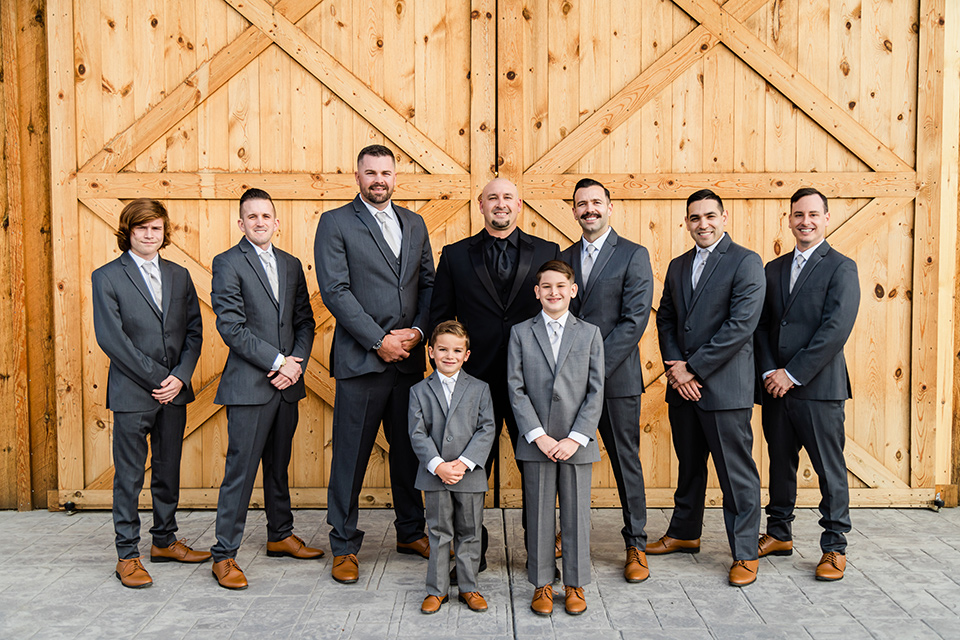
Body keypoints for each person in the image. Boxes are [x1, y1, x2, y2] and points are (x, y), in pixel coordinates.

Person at [315, 144, 435, 584]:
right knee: (351, 457)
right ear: (357, 175)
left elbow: (428, 284)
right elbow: (336, 290)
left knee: (409, 454)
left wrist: (419, 334)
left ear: (395, 176)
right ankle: (344, 545)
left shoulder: (415, 223)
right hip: (361, 362)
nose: (379, 179)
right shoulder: (336, 223)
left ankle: (410, 531)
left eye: (386, 172)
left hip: (408, 362)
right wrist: (378, 340)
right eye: (371, 173)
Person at [430, 177, 561, 569]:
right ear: (480, 205)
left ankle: (540, 555)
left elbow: (560, 313)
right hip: (475, 381)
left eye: (507, 197)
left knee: (536, 471)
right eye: (492, 198)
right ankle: (471, 553)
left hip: (533, 381)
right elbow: (439, 317)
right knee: (471, 471)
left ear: (518, 205)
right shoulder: (454, 255)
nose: (500, 204)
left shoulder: (548, 251)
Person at [648, 189, 765, 587]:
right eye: (695, 218)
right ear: (686, 222)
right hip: (683, 388)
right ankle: (684, 531)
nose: (703, 224)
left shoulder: (746, 262)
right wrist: (677, 369)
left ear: (724, 217)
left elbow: (740, 326)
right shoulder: (679, 265)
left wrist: (692, 369)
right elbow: (665, 318)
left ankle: (746, 552)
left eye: (710, 216)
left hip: (723, 388)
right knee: (689, 465)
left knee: (736, 474)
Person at [92, 198, 207, 588]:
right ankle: (127, 554)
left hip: (174, 391)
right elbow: (113, 339)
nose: (149, 234)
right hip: (132, 392)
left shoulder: (179, 275)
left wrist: (181, 376)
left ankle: (165, 540)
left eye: (156, 228)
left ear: (164, 232)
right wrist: (159, 377)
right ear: (129, 231)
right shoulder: (106, 276)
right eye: (141, 228)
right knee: (128, 476)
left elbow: (194, 332)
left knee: (167, 469)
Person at [209, 188, 320, 590]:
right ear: (241, 224)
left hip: (286, 385)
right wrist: (279, 362)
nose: (259, 222)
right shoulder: (227, 263)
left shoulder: (291, 265)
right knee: (239, 472)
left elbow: (304, 321)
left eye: (266, 216)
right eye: (251, 217)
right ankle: (224, 555)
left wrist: (296, 366)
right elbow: (231, 327)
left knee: (278, 467)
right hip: (249, 387)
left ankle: (280, 535)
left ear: (277, 222)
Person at [755, 187, 860, 581]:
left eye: (814, 214)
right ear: (789, 219)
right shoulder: (773, 268)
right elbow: (763, 326)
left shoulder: (841, 267)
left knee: (829, 469)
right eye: (799, 214)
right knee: (780, 464)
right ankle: (779, 533)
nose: (806, 221)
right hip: (775, 388)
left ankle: (834, 547)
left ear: (826, 218)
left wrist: (792, 373)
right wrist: (769, 372)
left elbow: (835, 330)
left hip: (817, 388)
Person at [560, 178, 653, 583]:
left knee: (625, 462)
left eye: (596, 202)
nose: (589, 210)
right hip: (566, 386)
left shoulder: (633, 255)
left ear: (609, 207)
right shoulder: (562, 257)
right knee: (564, 462)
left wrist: (594, 370)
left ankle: (636, 544)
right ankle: (563, 536)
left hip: (615, 381)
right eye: (582, 204)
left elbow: (634, 321)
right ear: (575, 211)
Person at [508, 260, 604, 616]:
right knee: (538, 512)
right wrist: (539, 437)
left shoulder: (590, 333)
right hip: (538, 442)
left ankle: (575, 583)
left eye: (560, 286)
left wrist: (576, 437)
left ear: (573, 290)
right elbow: (515, 389)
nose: (553, 293)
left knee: (577, 514)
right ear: (537, 292)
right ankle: (542, 583)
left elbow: (596, 391)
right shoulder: (521, 333)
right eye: (546, 287)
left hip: (577, 441)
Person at [408, 321, 496, 614]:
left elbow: (487, 429)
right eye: (443, 349)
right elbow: (417, 433)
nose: (450, 355)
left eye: (457, 350)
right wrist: (438, 465)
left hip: (469, 475)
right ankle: (437, 590)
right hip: (435, 477)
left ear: (466, 355)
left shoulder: (480, 388)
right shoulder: (419, 390)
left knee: (469, 531)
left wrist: (463, 463)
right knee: (438, 531)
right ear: (431, 352)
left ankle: (469, 588)